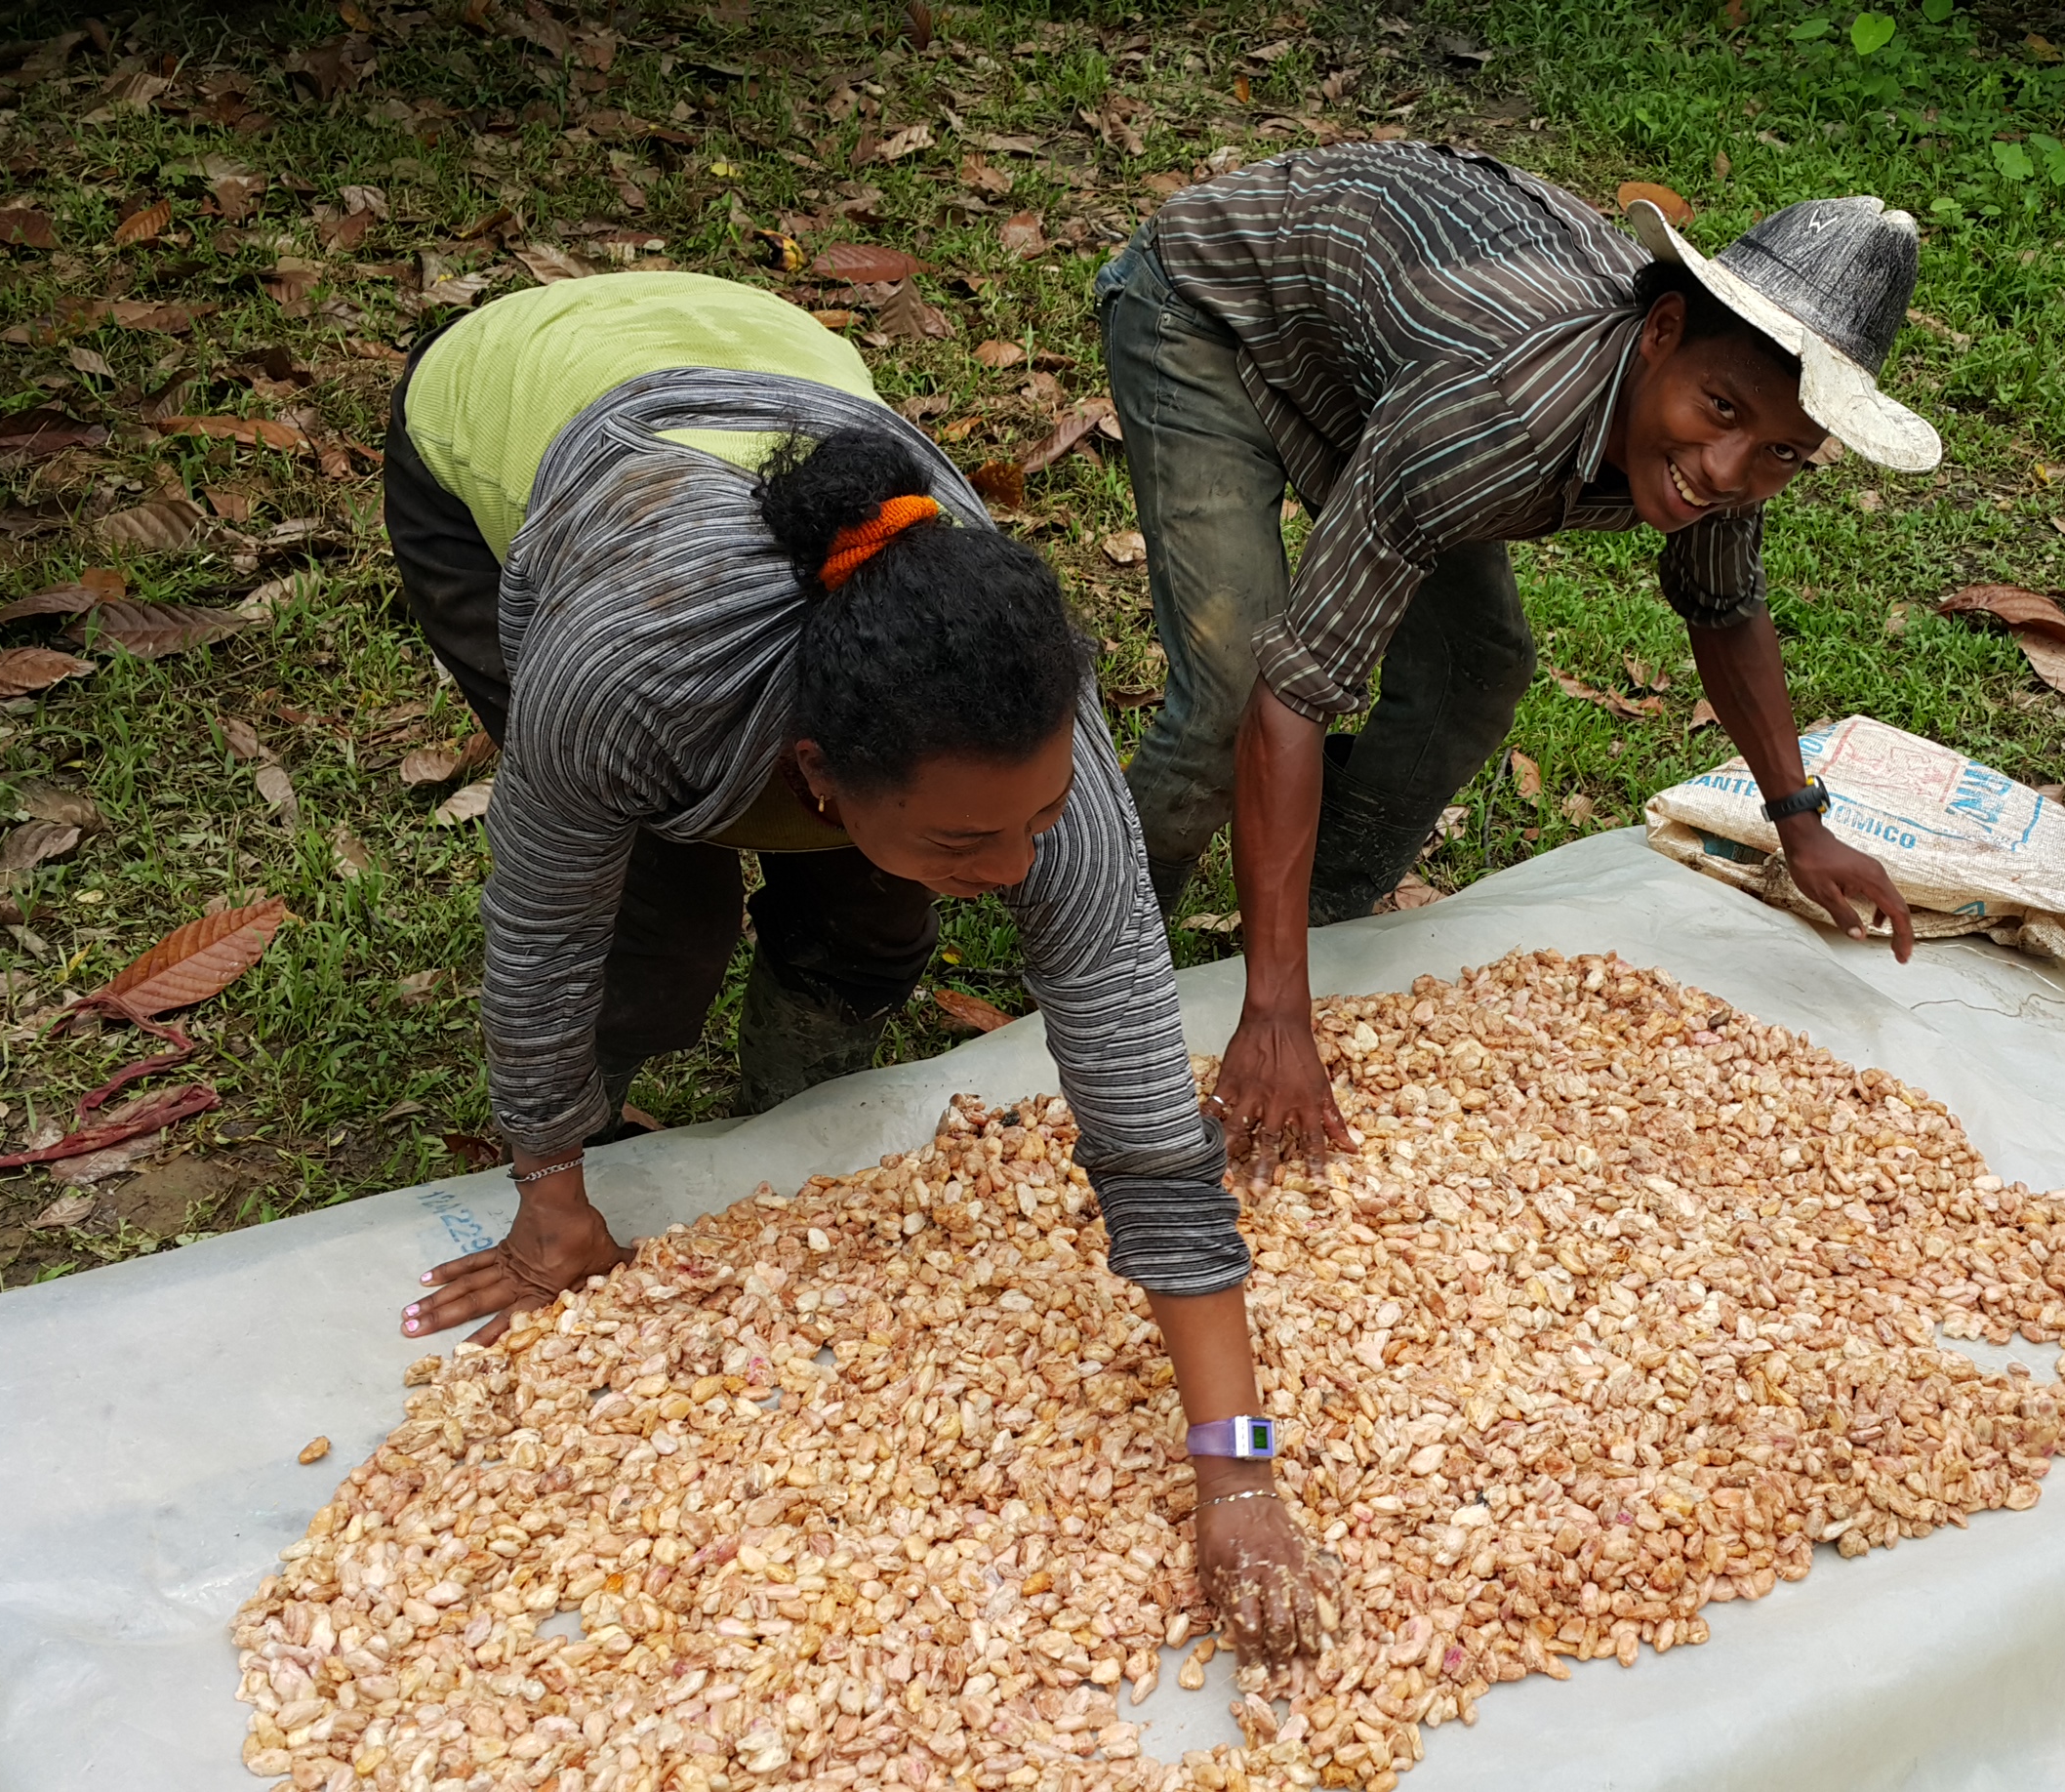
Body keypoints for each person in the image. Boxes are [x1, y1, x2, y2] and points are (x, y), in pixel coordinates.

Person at [379, 270, 1328, 1656]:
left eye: (1040, 818)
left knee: (887, 919)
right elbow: (542, 924)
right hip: (512, 417)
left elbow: (1139, 1108)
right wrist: (547, 1183)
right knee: (657, 926)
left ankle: (790, 1087)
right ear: (818, 773)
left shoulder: (1020, 703)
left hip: (767, 361)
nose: (1015, 870)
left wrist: (1235, 1465)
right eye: (964, 834)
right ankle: (604, 1116)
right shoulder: (630, 674)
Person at [1098, 143, 1935, 1161]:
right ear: (1660, 333)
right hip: (1217, 317)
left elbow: (1722, 609)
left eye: (1782, 455)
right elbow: (1295, 691)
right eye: (1720, 414)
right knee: (1234, 690)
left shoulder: (1730, 439)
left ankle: (1324, 917)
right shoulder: (1496, 413)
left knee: (1475, 670)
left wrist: (1799, 823)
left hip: (1376, 371)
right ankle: (1107, 972)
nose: (1726, 471)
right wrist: (1276, 1015)